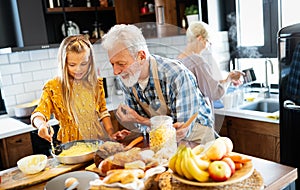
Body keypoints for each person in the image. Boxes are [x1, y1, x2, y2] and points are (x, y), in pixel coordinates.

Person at [101, 24, 214, 143]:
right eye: (112, 64)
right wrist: (134, 126)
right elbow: (143, 127)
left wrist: (140, 120)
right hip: (165, 142)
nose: (116, 71)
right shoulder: (128, 78)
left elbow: (181, 130)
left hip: (196, 141)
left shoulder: (175, 74)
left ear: (141, 57)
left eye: (121, 63)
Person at [31, 34, 130, 144]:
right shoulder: (54, 87)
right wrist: (41, 125)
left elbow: (102, 112)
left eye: (84, 63)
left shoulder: (95, 84)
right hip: (71, 147)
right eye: (72, 65)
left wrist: (111, 133)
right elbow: (39, 113)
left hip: (97, 142)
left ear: (90, 62)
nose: (78, 69)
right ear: (64, 64)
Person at [177, 21, 244, 104]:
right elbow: (215, 93)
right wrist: (229, 78)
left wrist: (225, 80)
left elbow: (203, 86)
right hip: (200, 115)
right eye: (208, 42)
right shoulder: (198, 61)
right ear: (200, 39)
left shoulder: (178, 60)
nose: (208, 46)